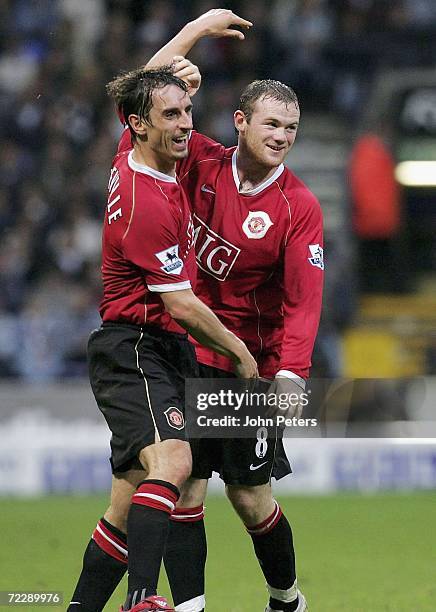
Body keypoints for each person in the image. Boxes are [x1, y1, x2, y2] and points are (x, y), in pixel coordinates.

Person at [67, 61, 257, 612]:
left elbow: (137, 84)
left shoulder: (133, 151)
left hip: (157, 347)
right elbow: (180, 304)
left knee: (127, 508)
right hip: (136, 346)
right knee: (173, 464)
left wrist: (197, 29)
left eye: (187, 112)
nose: (184, 124)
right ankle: (144, 601)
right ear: (140, 125)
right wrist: (240, 351)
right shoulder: (145, 202)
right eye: (170, 114)